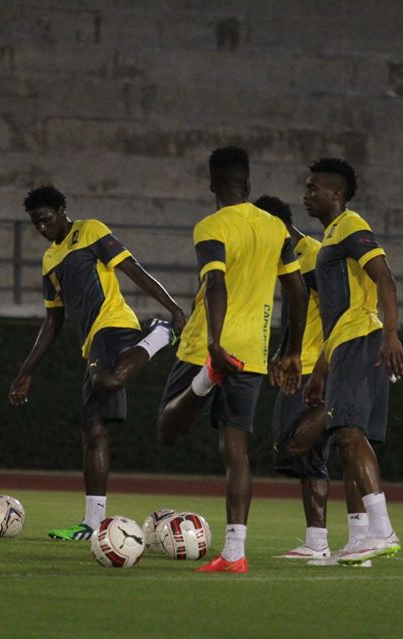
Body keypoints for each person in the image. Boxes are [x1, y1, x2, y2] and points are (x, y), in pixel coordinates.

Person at [156, 147, 308, 574]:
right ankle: (235, 553)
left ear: (211, 185)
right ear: (249, 184)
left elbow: (216, 283)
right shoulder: (275, 226)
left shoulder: (212, 226)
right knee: (235, 451)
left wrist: (214, 343)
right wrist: (291, 351)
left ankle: (206, 379)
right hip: (253, 352)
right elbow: (297, 292)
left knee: (167, 429)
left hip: (209, 346)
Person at [9, 185, 187, 541]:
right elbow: (53, 322)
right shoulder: (49, 260)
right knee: (93, 429)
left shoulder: (90, 230)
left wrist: (174, 308)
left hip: (114, 325)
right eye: (35, 224)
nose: (42, 228)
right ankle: (92, 524)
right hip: (92, 343)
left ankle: (161, 333)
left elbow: (132, 268)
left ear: (62, 209)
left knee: (107, 380)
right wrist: (26, 372)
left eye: (46, 219)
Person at [278, 157, 403, 566]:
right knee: (347, 439)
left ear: (336, 193)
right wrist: (321, 372)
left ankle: (382, 531)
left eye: (313, 188)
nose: (306, 194)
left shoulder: (351, 225)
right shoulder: (332, 234)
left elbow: (385, 277)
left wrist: (390, 333)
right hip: (344, 346)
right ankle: (359, 541)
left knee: (349, 435)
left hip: (361, 339)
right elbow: (334, 316)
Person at [253, 194, 333, 561]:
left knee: (291, 445)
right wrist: (282, 352)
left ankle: (339, 409)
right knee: (306, 458)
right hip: (301, 363)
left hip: (315, 366)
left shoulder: (313, 255)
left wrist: (325, 366)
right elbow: (298, 313)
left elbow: (335, 313)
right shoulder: (288, 256)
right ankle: (317, 542)